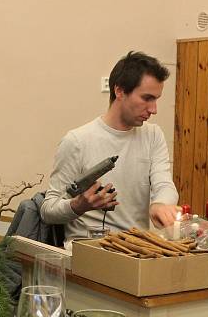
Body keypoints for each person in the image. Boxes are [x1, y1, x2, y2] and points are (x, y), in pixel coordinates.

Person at [40, 51, 180, 240]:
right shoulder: (77, 141)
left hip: (135, 251)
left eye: (156, 99)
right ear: (120, 91)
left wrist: (161, 204)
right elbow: (48, 210)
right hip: (87, 255)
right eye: (147, 98)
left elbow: (164, 184)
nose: (153, 109)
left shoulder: (153, 135)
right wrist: (78, 205)